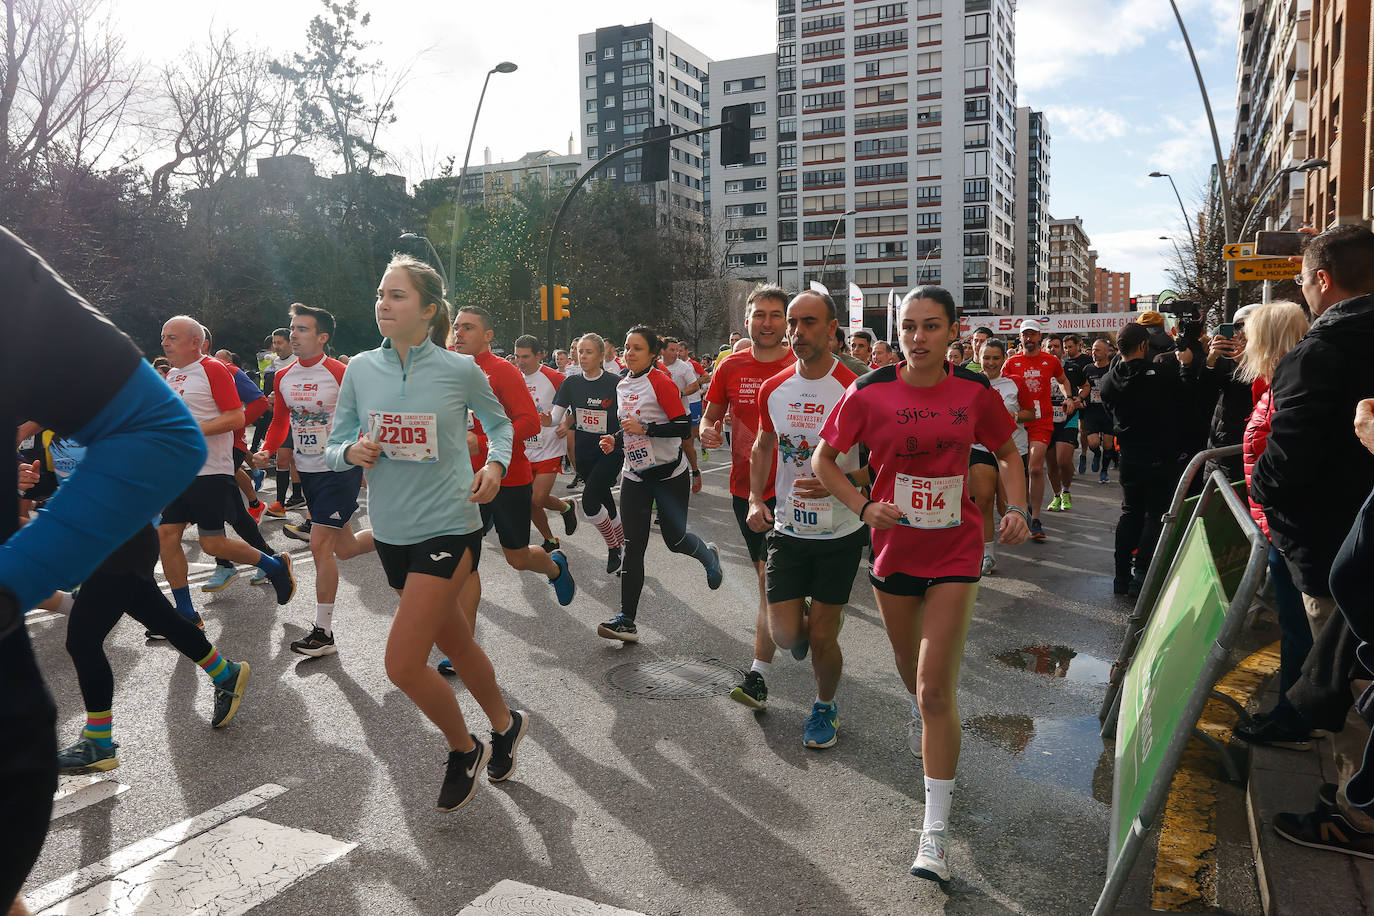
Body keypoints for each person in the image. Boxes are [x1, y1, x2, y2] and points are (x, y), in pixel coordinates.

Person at [1, 225, 206, 916]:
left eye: (176, 339)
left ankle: (109, 733)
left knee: (98, 631)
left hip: (128, 528)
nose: (167, 345)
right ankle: (209, 670)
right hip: (106, 531)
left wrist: (12, 579)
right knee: (110, 625)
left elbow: (167, 434)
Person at [813, 286, 1029, 883]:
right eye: (908, 326)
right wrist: (862, 507)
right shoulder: (868, 390)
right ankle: (918, 708)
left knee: (936, 690)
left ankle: (933, 834)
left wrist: (1017, 507)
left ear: (954, 331)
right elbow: (824, 461)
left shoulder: (975, 391)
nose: (917, 337)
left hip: (956, 548)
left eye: (931, 326)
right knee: (914, 679)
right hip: (893, 552)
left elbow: (1009, 451)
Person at [323, 253, 528, 811]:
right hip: (391, 531)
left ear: (428, 309)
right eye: (381, 295)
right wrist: (350, 450)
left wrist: (494, 466)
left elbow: (500, 423)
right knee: (455, 642)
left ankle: (463, 749)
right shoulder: (362, 369)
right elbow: (334, 442)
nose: (383, 304)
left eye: (396, 295)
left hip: (449, 524)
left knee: (402, 664)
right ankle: (506, 726)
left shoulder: (461, 370)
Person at [1250, 225, 1374, 752]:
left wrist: (1261, 487)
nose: (1302, 291)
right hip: (1353, 531)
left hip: (1327, 544)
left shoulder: (1319, 351)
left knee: (1340, 675)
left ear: (1323, 280)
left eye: (1302, 280)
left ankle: (1350, 808)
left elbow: (1289, 453)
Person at [747, 290, 864, 747]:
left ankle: (824, 706)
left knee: (820, 638)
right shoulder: (773, 388)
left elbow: (883, 459)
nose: (797, 333)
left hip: (841, 530)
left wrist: (843, 478)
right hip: (788, 527)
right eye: (793, 323)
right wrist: (757, 499)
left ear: (833, 328)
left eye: (808, 323)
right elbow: (763, 444)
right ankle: (810, 618)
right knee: (786, 633)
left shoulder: (859, 385)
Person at [253, 304, 376, 657]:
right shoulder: (283, 376)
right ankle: (396, 538)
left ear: (322, 337)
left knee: (321, 545)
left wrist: (366, 458)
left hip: (339, 468)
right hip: (307, 471)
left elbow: (366, 418)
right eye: (293, 328)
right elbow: (280, 421)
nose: (293, 334)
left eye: (302, 329)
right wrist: (267, 449)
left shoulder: (339, 372)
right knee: (346, 548)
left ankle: (323, 634)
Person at [157, 317, 296, 624]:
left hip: (210, 469)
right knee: (167, 535)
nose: (165, 343)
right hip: (178, 473)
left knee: (212, 543)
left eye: (172, 337)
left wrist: (194, 430)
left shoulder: (213, 369)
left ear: (195, 342)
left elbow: (236, 418)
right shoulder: (173, 376)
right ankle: (185, 613)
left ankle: (274, 566)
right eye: (163, 337)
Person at [700, 285, 797, 707]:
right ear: (747, 321)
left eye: (776, 315)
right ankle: (792, 621)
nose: (768, 322)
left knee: (767, 579)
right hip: (747, 492)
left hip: (800, 492)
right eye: (760, 314)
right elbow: (711, 414)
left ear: (787, 322)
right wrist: (706, 429)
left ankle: (758, 675)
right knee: (768, 580)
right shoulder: (730, 367)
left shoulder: (804, 367)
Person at [596, 325, 723, 641]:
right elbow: (629, 426)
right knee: (633, 546)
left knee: (674, 540)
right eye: (627, 347)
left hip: (668, 476)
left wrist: (646, 429)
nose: (629, 353)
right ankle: (627, 620)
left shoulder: (661, 382)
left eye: (637, 348)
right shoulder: (623, 383)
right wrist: (615, 438)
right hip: (635, 475)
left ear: (653, 354)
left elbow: (682, 428)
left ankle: (708, 555)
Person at [450, 308, 575, 623]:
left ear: (488, 336)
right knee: (461, 560)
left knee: (517, 558)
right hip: (462, 480)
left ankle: (554, 565)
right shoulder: (446, 369)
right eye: (456, 327)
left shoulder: (502, 371)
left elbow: (530, 422)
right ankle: (463, 645)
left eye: (468, 327)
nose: (459, 333)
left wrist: (482, 440)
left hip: (507, 479)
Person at [1232, 303, 1315, 749]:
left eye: (1250, 336)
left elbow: (1285, 454)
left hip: (1287, 524)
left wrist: (1262, 492)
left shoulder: (1294, 383)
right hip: (1276, 522)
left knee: (1299, 625)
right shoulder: (1282, 380)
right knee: (1295, 621)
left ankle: (1294, 717)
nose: (1243, 345)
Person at [1099, 323, 1186, 596]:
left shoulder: (1109, 381)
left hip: (1128, 455)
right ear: (1144, 346)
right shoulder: (1160, 374)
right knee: (1154, 514)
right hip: (1158, 454)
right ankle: (1141, 575)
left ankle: (1121, 577)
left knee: (1130, 512)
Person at [554, 333, 626, 574]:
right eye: (579, 351)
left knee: (590, 501)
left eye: (588, 352)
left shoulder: (615, 383)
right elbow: (557, 415)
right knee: (604, 498)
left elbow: (626, 416)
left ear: (601, 355)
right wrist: (556, 422)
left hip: (610, 451)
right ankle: (623, 543)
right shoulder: (571, 383)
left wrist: (619, 440)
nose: (582, 356)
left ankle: (613, 547)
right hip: (583, 453)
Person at [1002, 319, 1078, 540]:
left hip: (1041, 421)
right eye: (1025, 334)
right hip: (1017, 422)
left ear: (1039, 338)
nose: (1029, 338)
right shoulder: (1011, 363)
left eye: (1033, 335)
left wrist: (1069, 398)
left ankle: (1035, 519)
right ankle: (1021, 509)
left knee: (1035, 468)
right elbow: (1003, 389)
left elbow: (1063, 381)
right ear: (1020, 338)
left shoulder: (1050, 361)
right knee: (1021, 469)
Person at [970, 340, 1033, 574]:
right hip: (980, 450)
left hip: (1012, 450)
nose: (991, 363)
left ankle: (1020, 512)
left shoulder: (1015, 383)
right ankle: (988, 554)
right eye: (986, 358)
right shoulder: (970, 383)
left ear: (1003, 359)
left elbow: (1031, 413)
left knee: (1004, 506)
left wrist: (1012, 415)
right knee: (983, 502)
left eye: (996, 358)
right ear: (979, 357)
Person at [512, 335, 579, 553]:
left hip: (549, 444)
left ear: (539, 354)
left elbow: (579, 402)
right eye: (517, 356)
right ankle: (550, 539)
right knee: (530, 502)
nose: (520, 362)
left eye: (525, 357)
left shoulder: (554, 377)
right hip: (524, 448)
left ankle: (566, 506)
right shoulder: (513, 377)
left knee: (538, 497)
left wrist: (566, 423)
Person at [1043, 334, 1084, 512]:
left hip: (1068, 419)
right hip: (1046, 422)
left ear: (1062, 349)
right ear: (1044, 349)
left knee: (1063, 460)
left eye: (1056, 346)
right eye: (1049, 346)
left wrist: (1078, 398)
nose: (1053, 349)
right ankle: (1057, 495)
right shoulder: (1039, 369)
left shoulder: (1073, 368)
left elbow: (1086, 386)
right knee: (1051, 463)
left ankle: (1066, 490)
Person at [660, 337, 705, 492]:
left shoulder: (683, 367)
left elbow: (694, 385)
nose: (676, 353)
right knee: (664, 449)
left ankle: (695, 470)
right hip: (663, 416)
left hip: (682, 413)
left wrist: (679, 394)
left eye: (677, 350)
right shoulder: (656, 367)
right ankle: (659, 487)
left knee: (686, 445)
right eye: (672, 350)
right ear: (662, 351)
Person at [1078, 338, 1117, 484]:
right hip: (1092, 411)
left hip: (1107, 412)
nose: (1094, 352)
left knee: (1108, 444)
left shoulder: (1112, 369)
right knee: (1093, 443)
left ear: (1107, 352)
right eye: (1093, 349)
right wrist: (1080, 398)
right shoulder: (1088, 369)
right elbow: (1081, 387)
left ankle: (1104, 470)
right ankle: (1096, 454)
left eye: (1098, 350)